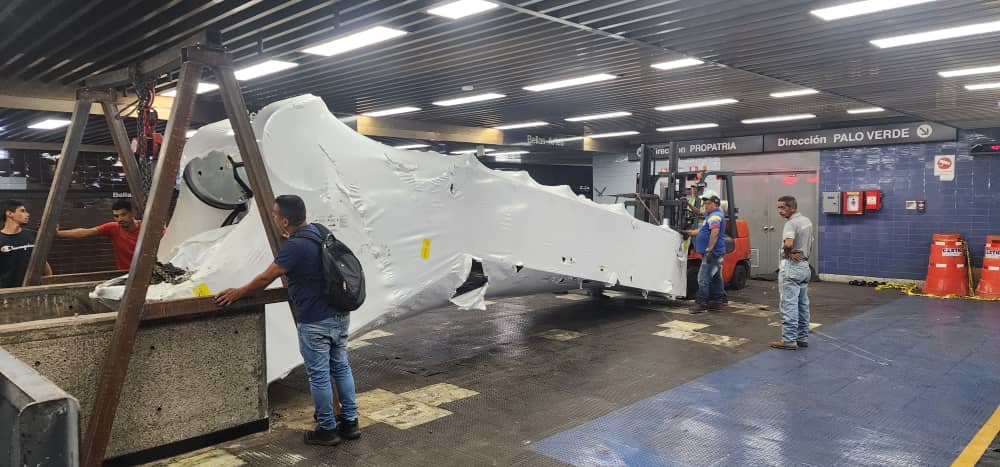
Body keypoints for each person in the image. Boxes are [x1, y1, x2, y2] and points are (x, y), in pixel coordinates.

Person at [215, 194, 360, 446]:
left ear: (283, 221)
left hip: (315, 321)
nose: (272, 217)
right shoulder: (319, 231)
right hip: (339, 314)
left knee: (319, 376)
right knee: (341, 368)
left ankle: (327, 429)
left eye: (273, 214)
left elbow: (264, 279)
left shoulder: (294, 248)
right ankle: (350, 423)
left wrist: (238, 292)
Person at [770, 195, 814, 351]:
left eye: (783, 207)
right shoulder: (806, 221)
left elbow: (788, 243)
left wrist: (788, 254)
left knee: (789, 305)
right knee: (802, 304)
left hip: (792, 267)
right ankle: (802, 337)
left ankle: (788, 340)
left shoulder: (791, 223)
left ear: (792, 208)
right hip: (804, 267)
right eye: (779, 207)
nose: (780, 211)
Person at [56, 199, 143, 270]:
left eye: (123, 215)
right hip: (125, 274)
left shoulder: (146, 227)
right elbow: (84, 232)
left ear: (132, 214)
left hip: (147, 272)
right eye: (116, 216)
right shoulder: (113, 227)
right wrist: (58, 233)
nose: (120, 219)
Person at [685, 194, 727, 312]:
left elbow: (715, 232)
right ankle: (718, 301)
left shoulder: (715, 217)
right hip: (715, 252)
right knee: (716, 277)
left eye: (708, 204)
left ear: (715, 204)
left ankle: (701, 302)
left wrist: (709, 249)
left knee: (702, 278)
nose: (705, 206)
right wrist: (688, 232)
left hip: (712, 253)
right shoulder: (710, 215)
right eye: (705, 204)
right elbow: (699, 215)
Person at [1, 200, 52, 288]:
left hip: (31, 289)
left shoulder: (33, 235)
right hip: (6, 292)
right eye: (22, 211)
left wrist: (50, 279)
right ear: (9, 213)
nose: (27, 214)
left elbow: (41, 260)